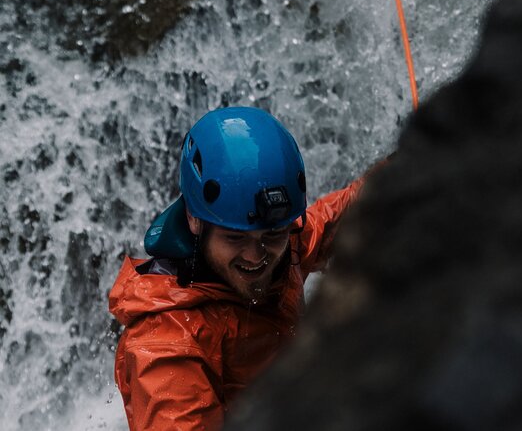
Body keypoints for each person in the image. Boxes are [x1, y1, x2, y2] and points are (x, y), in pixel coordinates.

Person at [109, 107, 366, 430]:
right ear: (194, 219)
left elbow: (336, 220)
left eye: (272, 235)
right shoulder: (167, 346)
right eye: (235, 238)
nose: (256, 256)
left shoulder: (284, 250)